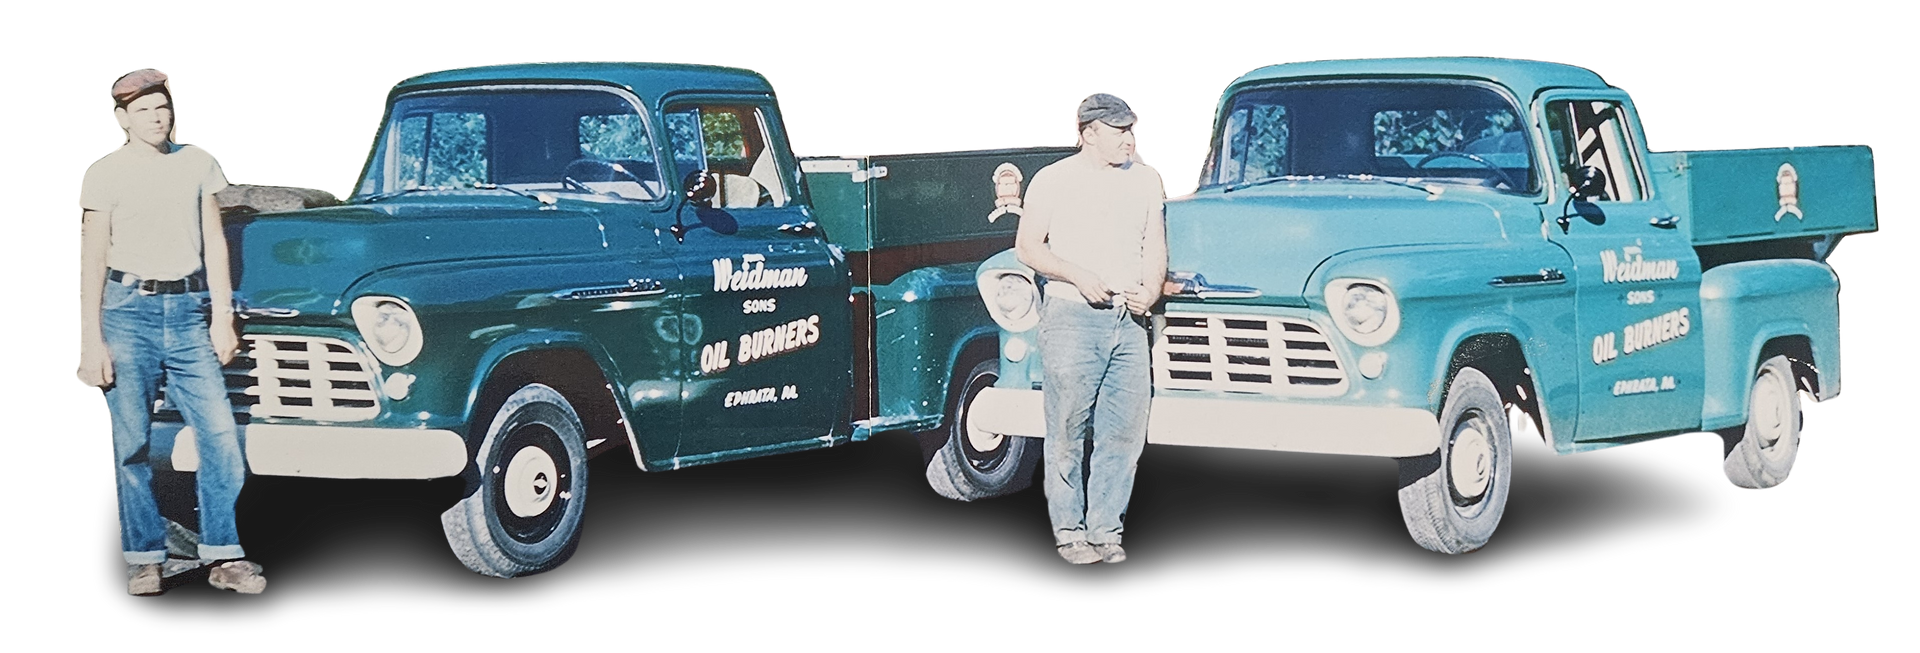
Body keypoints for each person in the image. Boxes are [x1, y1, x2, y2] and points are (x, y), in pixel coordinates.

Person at [76, 67, 266, 596]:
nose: (154, 118)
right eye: (141, 111)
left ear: (172, 112)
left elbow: (215, 241)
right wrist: (90, 341)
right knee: (133, 443)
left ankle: (224, 555)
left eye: (161, 109)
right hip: (126, 312)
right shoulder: (104, 174)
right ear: (121, 118)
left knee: (222, 437)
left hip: (188, 313)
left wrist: (223, 316)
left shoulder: (199, 163)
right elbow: (91, 261)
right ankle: (144, 559)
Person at [1015, 90, 1167, 564]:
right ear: (1089, 133)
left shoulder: (1146, 180)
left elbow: (1154, 245)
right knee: (1066, 432)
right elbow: (1028, 248)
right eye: (1121, 130)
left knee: (1123, 434)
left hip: (1130, 322)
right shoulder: (1053, 180)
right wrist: (1078, 275)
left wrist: (1152, 288)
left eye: (1133, 129)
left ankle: (1107, 531)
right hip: (1072, 320)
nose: (1131, 139)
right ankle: (1069, 532)